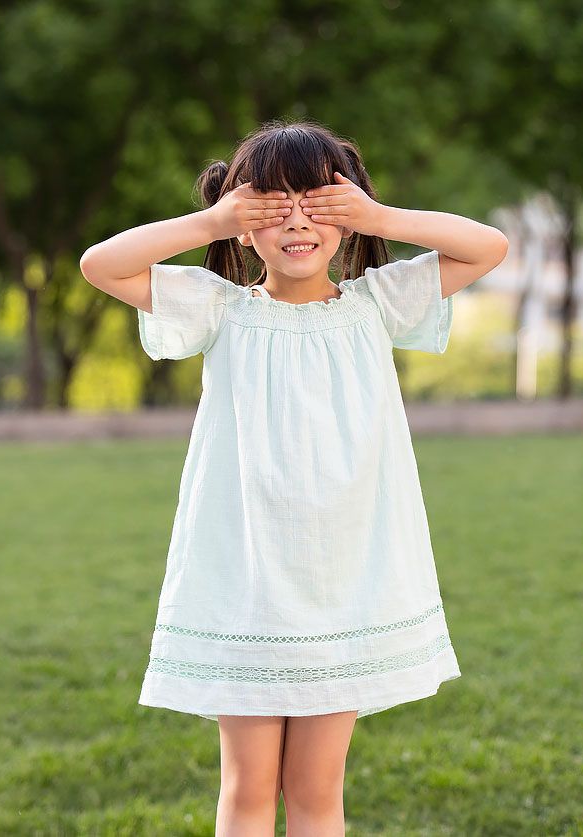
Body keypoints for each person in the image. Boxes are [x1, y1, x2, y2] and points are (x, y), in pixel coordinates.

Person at [79, 121, 508, 835]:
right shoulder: (219, 309)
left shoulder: (378, 303)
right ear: (246, 226)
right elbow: (101, 263)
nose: (298, 221)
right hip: (248, 587)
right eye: (272, 206)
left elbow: (487, 245)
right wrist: (211, 220)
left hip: (343, 586)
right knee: (247, 789)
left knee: (316, 791)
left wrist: (378, 217)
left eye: (318, 201)